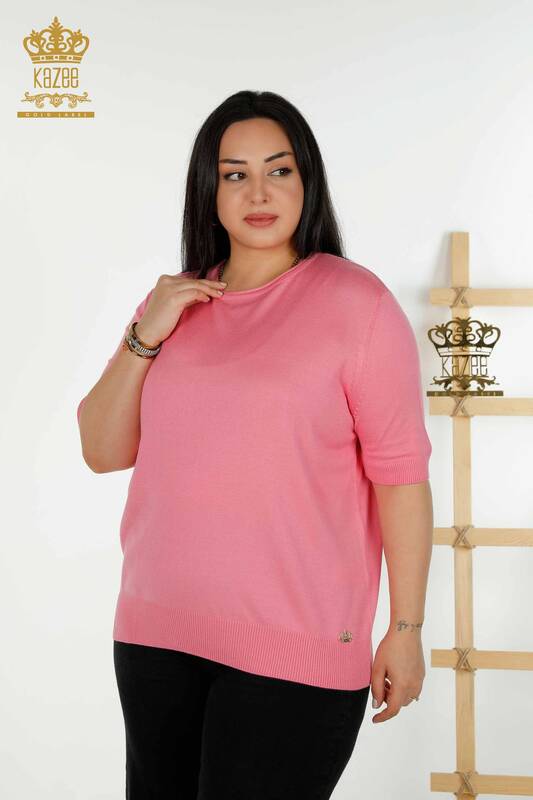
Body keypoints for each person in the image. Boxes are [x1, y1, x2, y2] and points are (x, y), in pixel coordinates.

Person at [77, 89, 434, 799]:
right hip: (155, 635)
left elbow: (400, 479)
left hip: (295, 651)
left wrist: (405, 627)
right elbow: (102, 449)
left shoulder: (357, 305)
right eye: (234, 174)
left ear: (307, 180)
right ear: (208, 192)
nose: (258, 192)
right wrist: (146, 333)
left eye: (279, 170)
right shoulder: (171, 304)